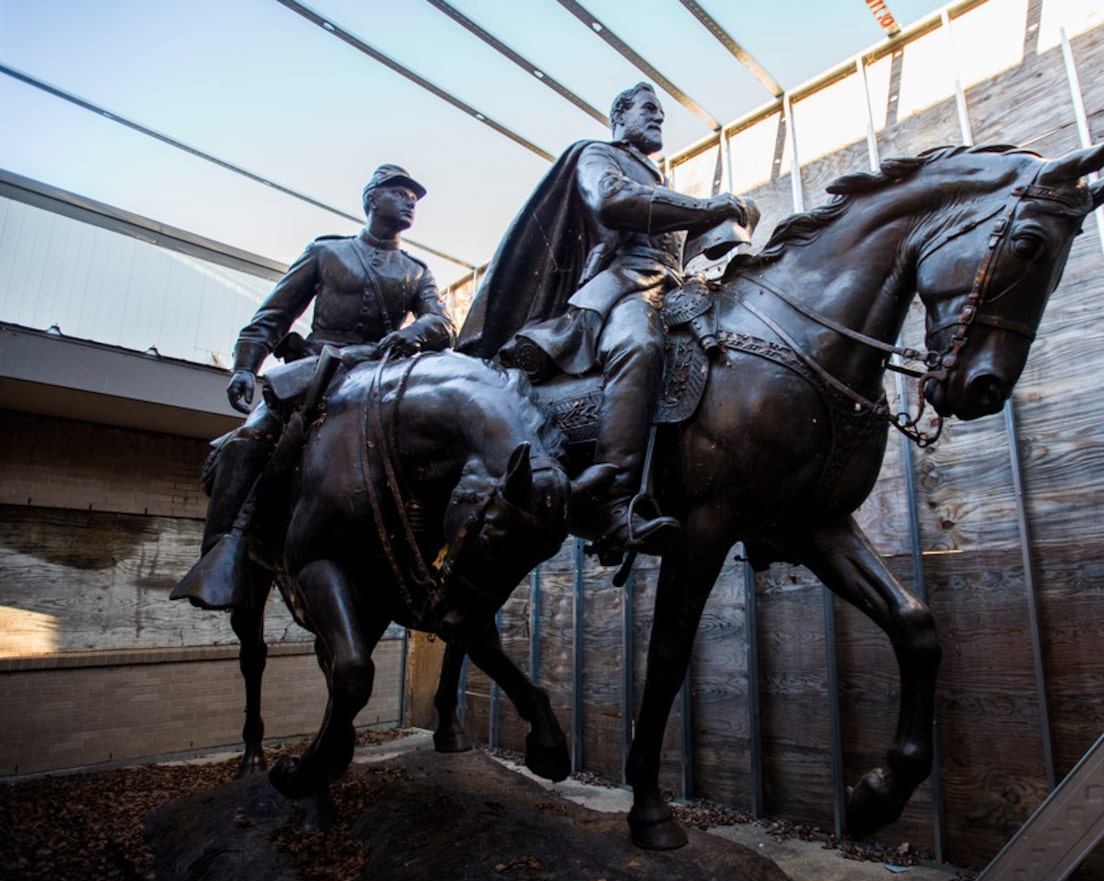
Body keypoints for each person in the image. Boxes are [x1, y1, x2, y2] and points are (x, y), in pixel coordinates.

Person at [456, 83, 752, 557]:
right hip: (623, 285)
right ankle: (616, 505)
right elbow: (611, 201)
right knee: (640, 345)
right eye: (649, 110)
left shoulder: (660, 178)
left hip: (673, 285)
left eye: (661, 113)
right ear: (619, 114)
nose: (658, 119)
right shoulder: (597, 154)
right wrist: (704, 207)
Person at [175, 164, 453, 608]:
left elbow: (441, 320)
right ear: (371, 200)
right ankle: (220, 555)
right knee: (246, 442)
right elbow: (274, 314)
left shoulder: (417, 271)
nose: (409, 202)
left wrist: (414, 332)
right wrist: (246, 365)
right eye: (399, 193)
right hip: (317, 370)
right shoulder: (328, 253)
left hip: (378, 373)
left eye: (414, 199)